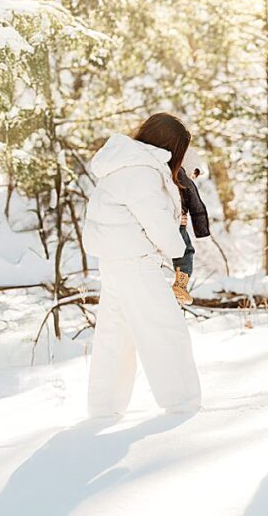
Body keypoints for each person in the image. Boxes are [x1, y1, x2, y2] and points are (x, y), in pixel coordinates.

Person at [82, 113, 201, 417]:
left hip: (114, 264)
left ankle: (104, 409)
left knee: (115, 340)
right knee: (165, 332)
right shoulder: (141, 172)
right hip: (136, 265)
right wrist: (178, 248)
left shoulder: (123, 165)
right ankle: (183, 405)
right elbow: (159, 225)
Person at [171, 148, 211, 306]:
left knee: (177, 249)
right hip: (176, 222)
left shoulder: (171, 175)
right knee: (185, 250)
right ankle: (180, 285)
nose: (195, 176)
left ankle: (179, 285)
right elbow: (196, 206)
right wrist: (201, 230)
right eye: (195, 171)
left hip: (173, 219)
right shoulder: (183, 179)